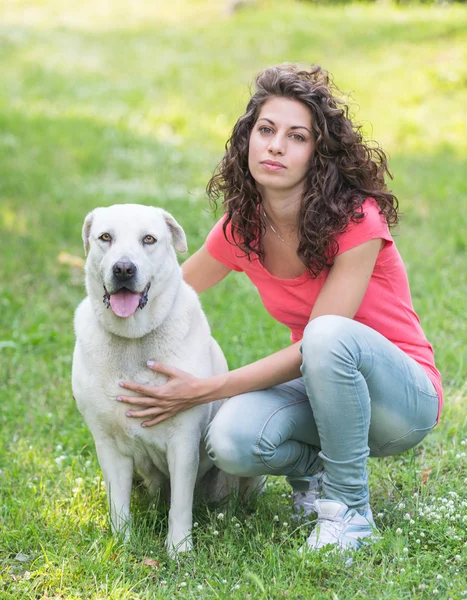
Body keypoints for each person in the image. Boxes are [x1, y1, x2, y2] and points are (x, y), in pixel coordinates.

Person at [117, 64, 443, 553]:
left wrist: (207, 389)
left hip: (402, 398)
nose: (275, 146)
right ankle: (312, 472)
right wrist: (118, 292)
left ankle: (349, 509)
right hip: (323, 384)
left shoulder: (357, 220)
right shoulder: (242, 227)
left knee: (328, 334)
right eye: (265, 130)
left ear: (319, 154)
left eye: (296, 137)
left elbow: (321, 340)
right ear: (247, 140)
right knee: (228, 442)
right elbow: (170, 293)